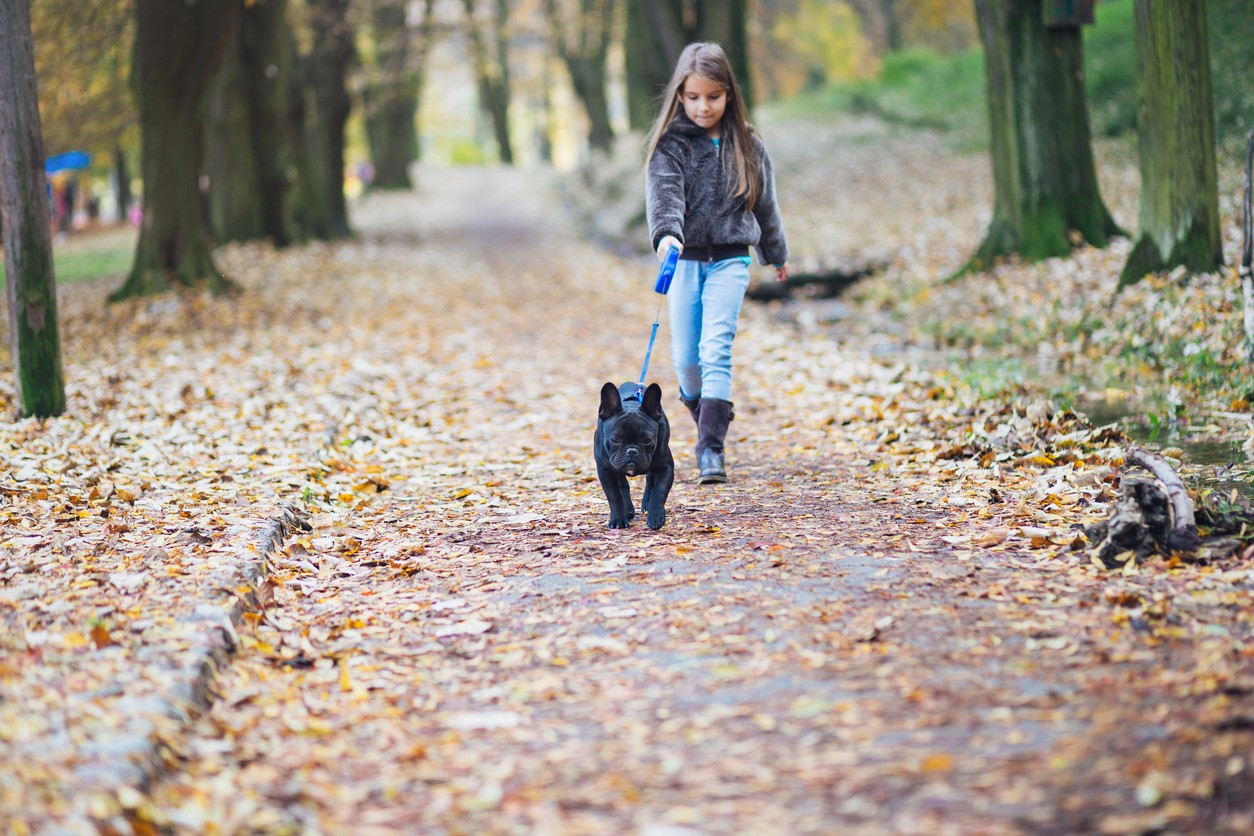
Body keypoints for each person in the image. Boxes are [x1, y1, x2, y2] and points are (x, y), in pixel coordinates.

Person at [644, 41, 790, 485]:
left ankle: (711, 447)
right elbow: (664, 199)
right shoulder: (671, 145)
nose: (702, 107)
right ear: (680, 95)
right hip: (685, 260)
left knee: (716, 348)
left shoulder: (747, 143)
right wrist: (667, 236)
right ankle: (708, 413)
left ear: (729, 94)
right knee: (688, 363)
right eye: (692, 97)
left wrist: (776, 253)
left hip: (731, 259)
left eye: (713, 97)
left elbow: (765, 205)